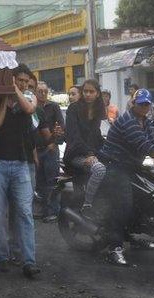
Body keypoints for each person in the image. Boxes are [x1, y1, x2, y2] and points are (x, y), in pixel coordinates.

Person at [99, 89, 154, 266]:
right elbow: (143, 145)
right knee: (123, 205)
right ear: (133, 103)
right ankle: (114, 248)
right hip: (114, 165)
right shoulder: (127, 120)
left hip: (132, 165)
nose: (143, 106)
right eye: (140, 103)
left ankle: (132, 238)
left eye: (146, 104)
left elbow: (152, 142)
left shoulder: (146, 121)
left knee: (145, 199)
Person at [0, 63, 41, 279]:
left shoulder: (29, 97)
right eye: (20, 80)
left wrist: (14, 90)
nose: (25, 84)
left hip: (20, 163)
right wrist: (4, 96)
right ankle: (2, 255)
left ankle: (29, 260)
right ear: (12, 78)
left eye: (27, 82)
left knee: (25, 213)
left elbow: (29, 109)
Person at [63, 79, 107, 216]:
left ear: (97, 94)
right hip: (75, 154)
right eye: (85, 91)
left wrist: (111, 147)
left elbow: (97, 136)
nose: (88, 94)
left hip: (92, 153)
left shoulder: (98, 111)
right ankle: (87, 204)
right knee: (99, 169)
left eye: (91, 91)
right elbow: (74, 136)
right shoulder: (74, 108)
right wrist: (89, 154)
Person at [35, 81, 65, 223]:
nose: (43, 93)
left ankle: (54, 210)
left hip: (50, 149)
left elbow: (61, 126)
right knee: (39, 182)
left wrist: (54, 142)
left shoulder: (53, 106)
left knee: (52, 181)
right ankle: (43, 210)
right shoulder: (31, 106)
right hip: (35, 150)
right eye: (39, 91)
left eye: (45, 91)